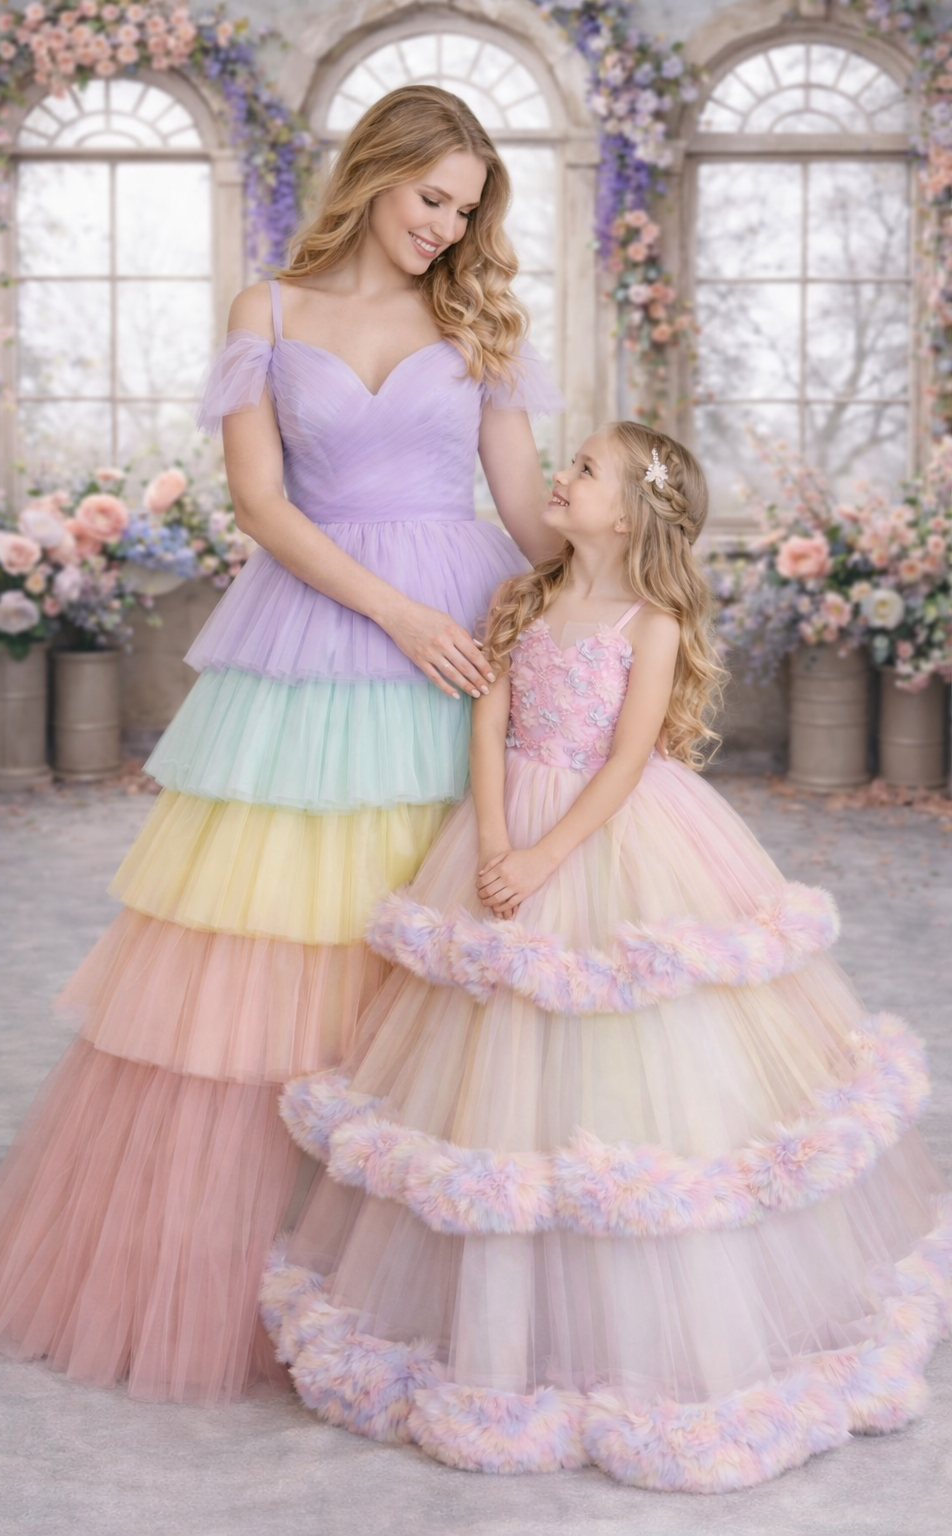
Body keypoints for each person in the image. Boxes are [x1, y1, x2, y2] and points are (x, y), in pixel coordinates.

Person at [0, 85, 563, 1405]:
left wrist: (626, 571)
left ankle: (424, 1275)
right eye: (429, 198)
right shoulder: (267, 313)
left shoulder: (481, 321)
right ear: (376, 173)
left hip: (462, 640)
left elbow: (522, 505)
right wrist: (395, 610)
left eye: (466, 210)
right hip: (329, 630)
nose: (444, 229)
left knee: (442, 929)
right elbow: (264, 506)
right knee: (286, 941)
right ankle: (270, 1262)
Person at [263, 421, 951, 1491]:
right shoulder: (521, 598)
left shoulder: (653, 618)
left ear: (627, 512)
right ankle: (506, 1306)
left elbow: (631, 757)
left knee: (630, 1043)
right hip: (507, 831)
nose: (561, 476)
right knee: (498, 1062)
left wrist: (545, 854)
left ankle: (637, 1281)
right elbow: (485, 728)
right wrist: (495, 844)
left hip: (607, 834)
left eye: (583, 469)